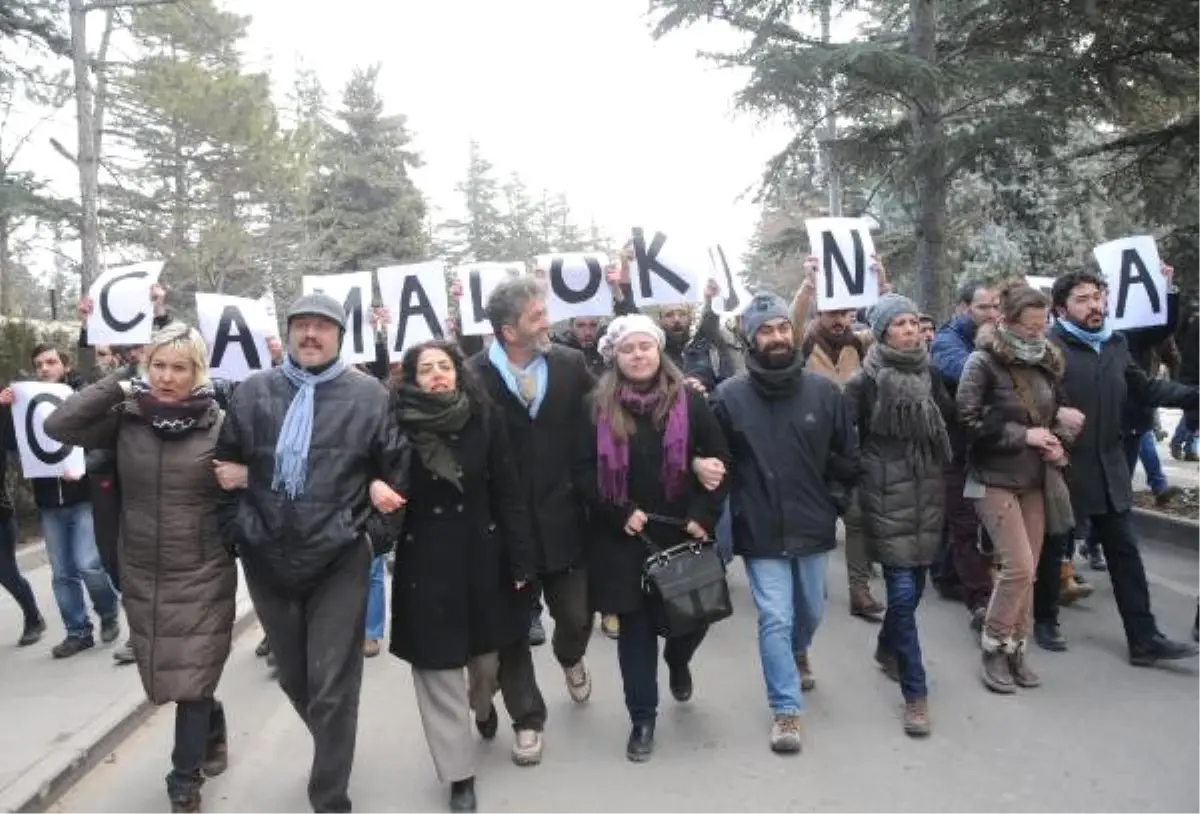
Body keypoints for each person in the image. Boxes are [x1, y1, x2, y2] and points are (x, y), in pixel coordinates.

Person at [214, 293, 410, 814]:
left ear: (340, 336)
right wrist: (238, 533)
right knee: (296, 679)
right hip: (267, 557)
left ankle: (329, 796)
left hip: (339, 558)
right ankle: (333, 744)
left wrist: (371, 540)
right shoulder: (252, 392)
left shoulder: (369, 395)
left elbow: (396, 475)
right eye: (301, 325)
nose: (310, 335)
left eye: (322, 327)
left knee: (332, 687)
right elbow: (223, 470)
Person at [45, 324, 237, 814]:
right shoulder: (125, 417)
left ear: (198, 373)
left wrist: (246, 476)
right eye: (159, 366)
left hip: (203, 569)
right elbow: (58, 426)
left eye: (179, 368)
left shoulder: (219, 422)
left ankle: (182, 780)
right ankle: (211, 722)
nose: (167, 377)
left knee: (190, 674)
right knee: (172, 676)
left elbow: (258, 476)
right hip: (142, 569)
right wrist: (120, 381)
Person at [388, 339, 535, 813]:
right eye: (425, 369)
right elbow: (376, 472)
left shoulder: (484, 417)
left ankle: (485, 705)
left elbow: (509, 489)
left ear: (457, 373)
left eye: (444, 367)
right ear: (412, 380)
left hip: (482, 554)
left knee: (485, 662)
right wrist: (377, 485)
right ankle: (459, 775)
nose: (436, 375)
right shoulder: (395, 424)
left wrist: (520, 559)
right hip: (423, 559)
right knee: (436, 667)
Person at [577, 314, 729, 762]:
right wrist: (618, 511)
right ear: (615, 356)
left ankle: (678, 660)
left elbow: (720, 459)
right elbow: (582, 471)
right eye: (628, 348)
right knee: (636, 631)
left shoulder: (690, 401)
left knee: (693, 620)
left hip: (681, 530)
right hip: (622, 535)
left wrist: (704, 515)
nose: (638, 355)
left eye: (646, 346)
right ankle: (642, 717)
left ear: (659, 350)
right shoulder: (597, 407)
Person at [712, 293, 859, 754]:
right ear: (752, 339)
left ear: (792, 333)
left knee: (810, 611)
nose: (776, 337)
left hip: (813, 524)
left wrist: (833, 503)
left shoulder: (823, 392)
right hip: (759, 529)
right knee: (775, 616)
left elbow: (846, 459)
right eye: (765, 330)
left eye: (782, 328)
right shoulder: (729, 397)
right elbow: (719, 461)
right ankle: (786, 710)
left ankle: (800, 649)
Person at [468, 276, 596, 767]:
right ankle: (527, 720)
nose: (549, 323)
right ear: (508, 330)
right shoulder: (473, 376)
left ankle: (570, 657)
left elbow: (604, 415)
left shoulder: (569, 364)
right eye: (537, 317)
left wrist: (679, 391)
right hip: (505, 530)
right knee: (513, 633)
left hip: (565, 519)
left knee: (576, 616)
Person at [1049, 270, 1200, 665]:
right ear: (1062, 308)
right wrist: (1053, 413)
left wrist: (1193, 396)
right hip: (1062, 468)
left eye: (1097, 297)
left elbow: (1145, 387)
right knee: (1051, 549)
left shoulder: (1114, 343)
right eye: (1082, 299)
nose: (1094, 305)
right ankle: (1043, 618)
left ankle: (1144, 638)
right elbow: (1022, 401)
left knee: (1126, 556)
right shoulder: (1048, 347)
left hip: (1109, 466)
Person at [957, 284, 1079, 692]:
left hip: (1036, 478)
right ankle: (993, 646)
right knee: (1019, 567)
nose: (1036, 334)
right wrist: (1023, 436)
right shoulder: (982, 361)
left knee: (1030, 573)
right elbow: (968, 420)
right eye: (1029, 327)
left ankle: (1016, 649)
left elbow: (1054, 408)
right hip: (994, 478)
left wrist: (1060, 431)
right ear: (1005, 322)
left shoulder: (1047, 360)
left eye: (1043, 326)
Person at [844, 294, 952, 736]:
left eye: (914, 322)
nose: (911, 329)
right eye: (901, 323)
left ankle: (888, 648)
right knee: (903, 595)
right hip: (883, 493)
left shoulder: (932, 374)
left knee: (915, 590)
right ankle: (916, 694)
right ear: (883, 331)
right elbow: (846, 440)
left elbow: (952, 422)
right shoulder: (862, 382)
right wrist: (857, 484)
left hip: (927, 492)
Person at [0, 344, 121, 658]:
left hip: (82, 497)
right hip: (48, 501)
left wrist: (84, 468)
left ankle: (107, 611)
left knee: (88, 565)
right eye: (39, 363)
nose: (44, 368)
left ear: (64, 366)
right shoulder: (24, 403)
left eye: (51, 362)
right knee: (62, 572)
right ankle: (77, 631)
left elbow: (102, 439)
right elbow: (13, 447)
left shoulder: (82, 397)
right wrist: (5, 411)